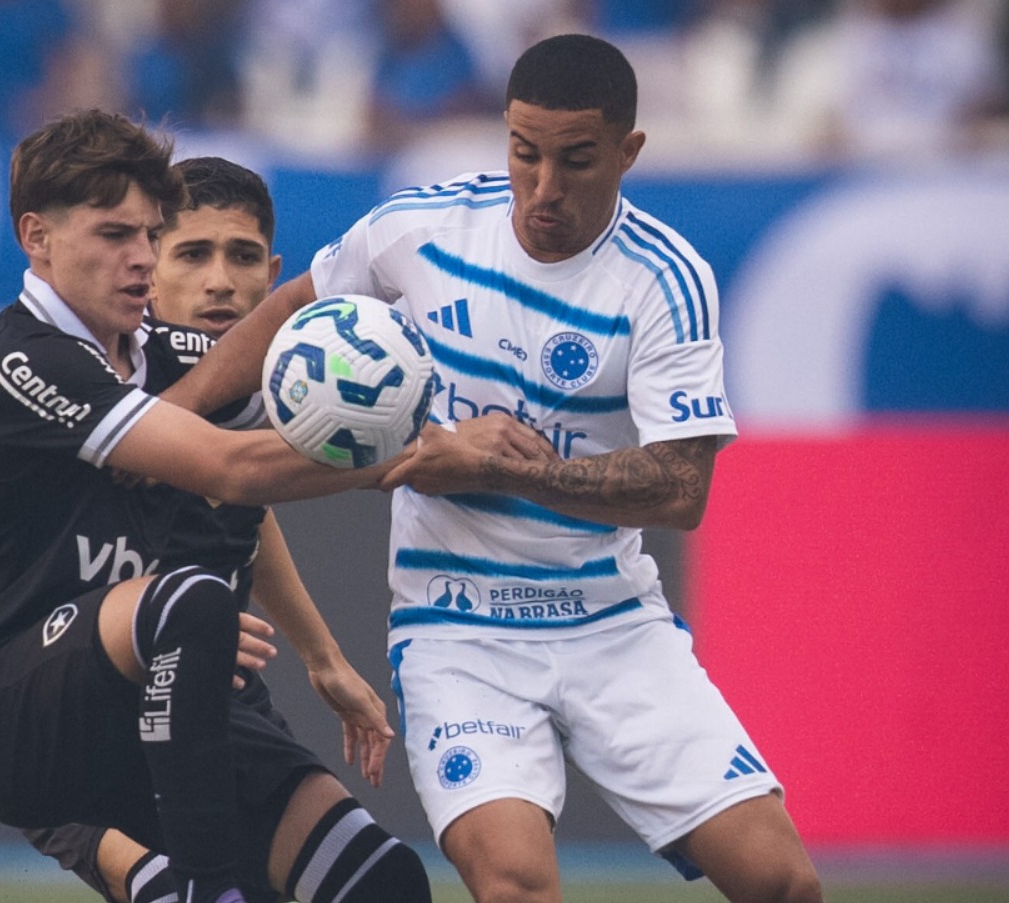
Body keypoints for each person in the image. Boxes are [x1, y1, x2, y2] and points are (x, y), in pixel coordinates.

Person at [169, 34, 824, 903]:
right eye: (524, 153)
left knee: (784, 883)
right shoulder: (422, 230)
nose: (543, 187)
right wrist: (161, 423)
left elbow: (680, 487)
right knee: (514, 883)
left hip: (612, 624)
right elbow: (299, 304)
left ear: (628, 151)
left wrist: (509, 466)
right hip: (457, 627)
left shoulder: (666, 280)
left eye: (575, 160)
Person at [0, 109, 431, 903]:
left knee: (382, 881)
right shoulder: (21, 361)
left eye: (150, 235)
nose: (141, 261)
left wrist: (463, 438)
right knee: (187, 601)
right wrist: (406, 457)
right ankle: (204, 889)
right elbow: (232, 468)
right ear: (37, 237)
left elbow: (265, 468)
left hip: (156, 699)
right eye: (116, 235)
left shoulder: (166, 352)